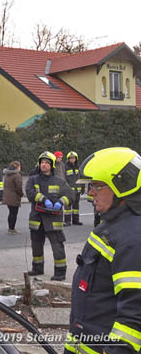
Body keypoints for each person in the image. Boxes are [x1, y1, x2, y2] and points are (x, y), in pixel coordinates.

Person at [65, 147, 141, 354]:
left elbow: (135, 317)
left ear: (122, 186)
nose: (90, 193)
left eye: (98, 186)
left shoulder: (132, 239)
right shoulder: (112, 225)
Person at [25, 151, 73, 281]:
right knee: (36, 245)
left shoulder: (59, 181)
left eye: (46, 162)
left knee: (57, 246)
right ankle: (37, 268)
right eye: (42, 162)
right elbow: (29, 192)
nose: (43, 165)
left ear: (52, 165)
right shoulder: (33, 179)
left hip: (53, 220)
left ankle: (60, 272)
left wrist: (60, 202)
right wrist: (43, 199)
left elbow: (70, 195)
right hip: (37, 219)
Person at [3, 161, 24, 235]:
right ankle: (12, 229)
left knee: (11, 212)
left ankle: (10, 228)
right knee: (14, 213)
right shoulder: (16, 175)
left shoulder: (7, 174)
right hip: (14, 196)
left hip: (7, 196)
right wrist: (21, 194)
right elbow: (18, 187)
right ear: (17, 167)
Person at [64, 151, 84, 226]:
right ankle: (67, 221)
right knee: (68, 206)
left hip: (77, 190)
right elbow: (64, 178)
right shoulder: (65, 167)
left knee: (76, 206)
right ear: (68, 159)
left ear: (76, 159)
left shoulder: (78, 167)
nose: (72, 159)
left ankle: (76, 220)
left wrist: (83, 187)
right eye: (71, 158)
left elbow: (81, 178)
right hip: (69, 190)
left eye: (74, 158)